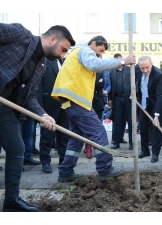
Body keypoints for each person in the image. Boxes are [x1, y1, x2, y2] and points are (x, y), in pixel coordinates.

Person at [0, 23, 75, 212]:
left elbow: (30, 96)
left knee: (17, 148)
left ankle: (11, 201)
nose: (62, 55)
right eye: (63, 49)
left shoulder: (41, 65)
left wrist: (43, 114)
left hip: (4, 105)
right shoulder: (19, 34)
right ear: (52, 39)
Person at [51, 35, 136, 182]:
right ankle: (105, 168)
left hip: (70, 100)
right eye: (100, 50)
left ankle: (65, 172)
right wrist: (122, 61)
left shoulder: (77, 53)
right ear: (93, 43)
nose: (100, 54)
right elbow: (94, 64)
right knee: (98, 131)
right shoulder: (84, 51)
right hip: (76, 100)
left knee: (77, 138)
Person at [37, 58, 70, 173]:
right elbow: (39, 84)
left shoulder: (64, 62)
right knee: (47, 135)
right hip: (48, 104)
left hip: (64, 104)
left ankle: (63, 161)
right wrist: (40, 106)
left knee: (64, 135)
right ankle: (45, 162)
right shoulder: (45, 61)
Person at [136, 56, 162, 163]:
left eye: (147, 68)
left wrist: (156, 115)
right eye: (142, 68)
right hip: (144, 103)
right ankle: (145, 150)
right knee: (143, 127)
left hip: (156, 103)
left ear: (151, 64)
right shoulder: (137, 70)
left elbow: (160, 95)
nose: (145, 70)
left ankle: (155, 153)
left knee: (156, 129)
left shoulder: (158, 74)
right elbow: (137, 85)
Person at [108, 53, 133, 150]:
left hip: (129, 99)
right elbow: (110, 86)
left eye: (120, 60)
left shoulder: (129, 69)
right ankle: (116, 142)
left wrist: (134, 95)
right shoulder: (111, 71)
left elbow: (134, 82)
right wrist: (110, 99)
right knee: (117, 121)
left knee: (131, 121)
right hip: (117, 99)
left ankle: (132, 142)